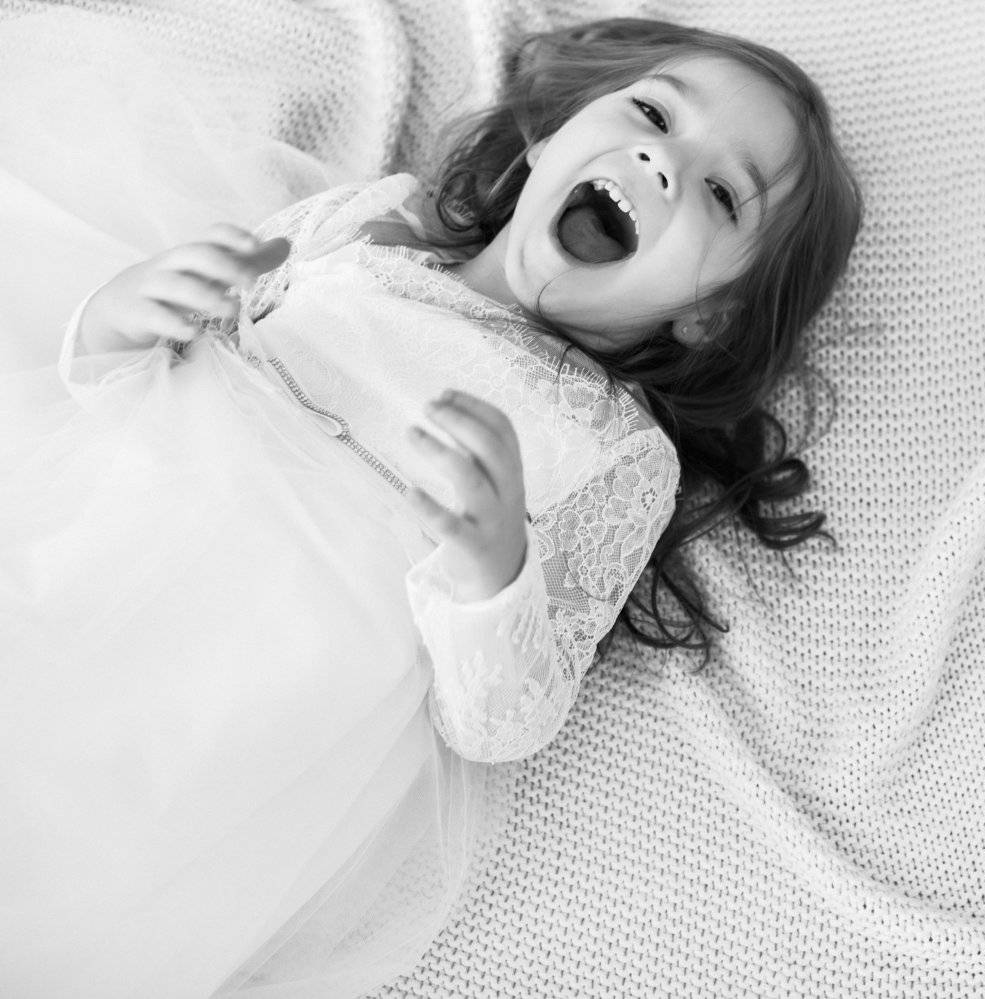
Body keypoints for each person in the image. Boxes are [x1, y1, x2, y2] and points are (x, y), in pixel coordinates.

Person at [0, 15, 861, 999]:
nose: (663, 162)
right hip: (131, 512)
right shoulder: (371, 228)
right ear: (551, 137)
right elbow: (115, 390)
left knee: (91, 826)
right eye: (655, 115)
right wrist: (124, 314)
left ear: (710, 313)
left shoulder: (613, 446)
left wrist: (493, 570)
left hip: (282, 645)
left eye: (721, 193)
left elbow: (502, 723)